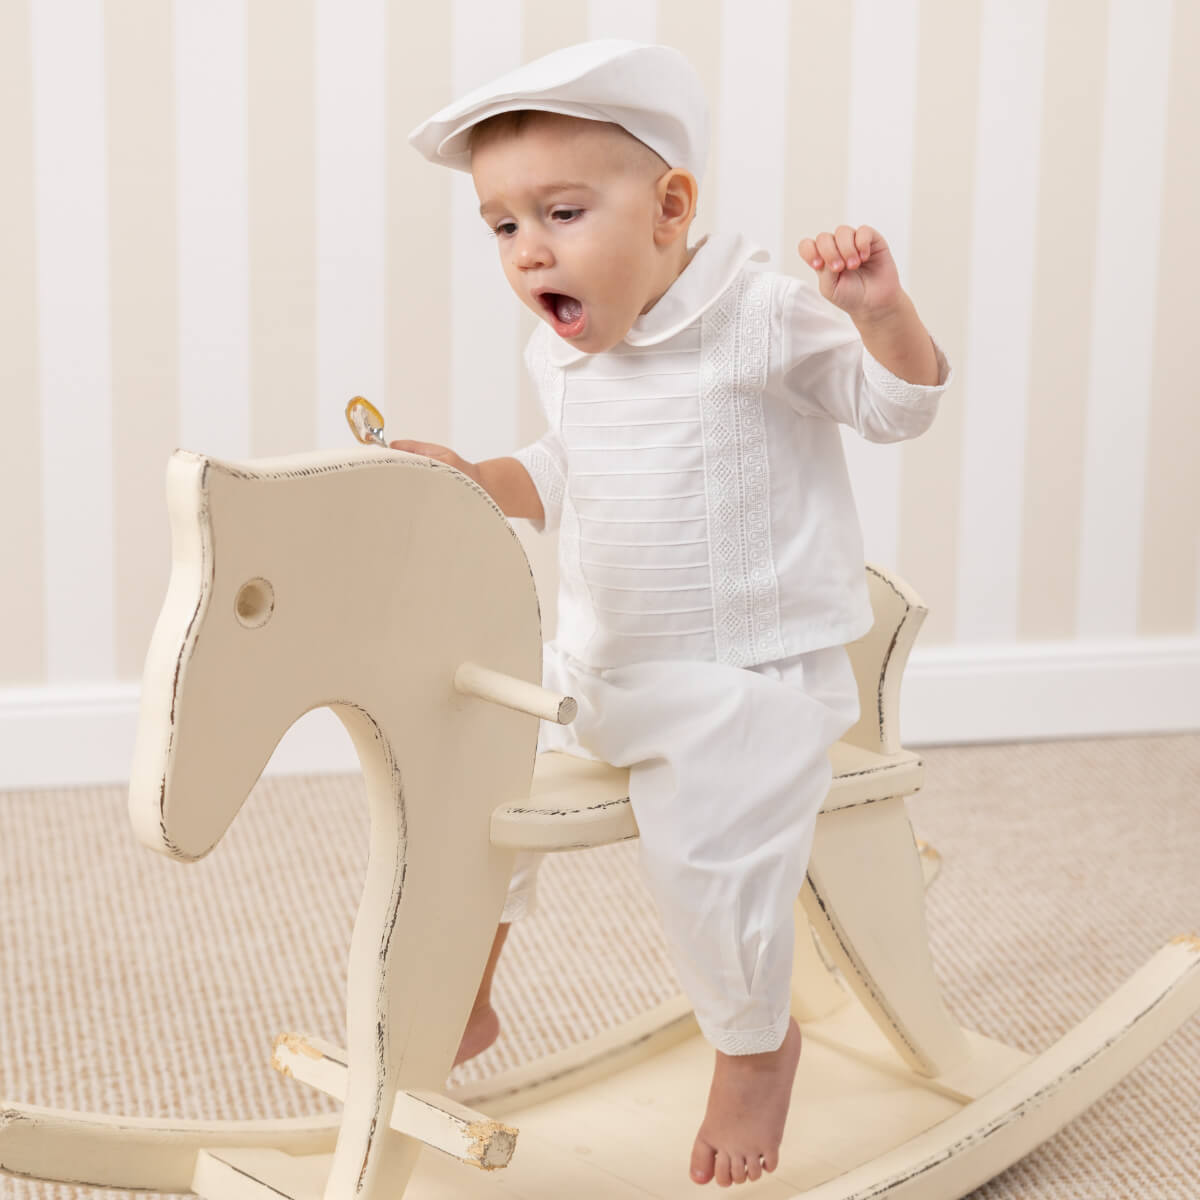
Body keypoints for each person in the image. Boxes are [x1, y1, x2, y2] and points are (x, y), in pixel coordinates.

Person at [403, 39, 950, 1188]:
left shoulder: (756, 317)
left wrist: (879, 314)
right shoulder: (565, 353)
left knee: (707, 848)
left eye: (559, 211)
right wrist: (476, 476)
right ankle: (467, 990)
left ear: (669, 209)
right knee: (472, 779)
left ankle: (755, 1047)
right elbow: (569, 471)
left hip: (745, 681)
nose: (529, 250)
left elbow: (896, 408)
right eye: (501, 227)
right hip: (604, 664)